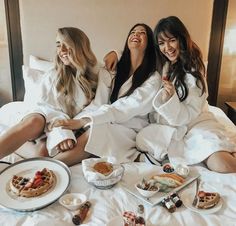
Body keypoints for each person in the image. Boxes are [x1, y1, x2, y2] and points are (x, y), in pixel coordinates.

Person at [135, 16, 236, 173]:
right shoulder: (165, 65)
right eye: (161, 43)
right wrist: (114, 53)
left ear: (181, 39)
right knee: (142, 138)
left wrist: (171, 99)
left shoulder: (194, 71)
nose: (167, 47)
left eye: (172, 40)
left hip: (195, 123)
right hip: (174, 127)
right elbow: (135, 56)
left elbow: (186, 115)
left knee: (222, 164)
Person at [52, 23, 162, 164]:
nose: (136, 34)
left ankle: (51, 168)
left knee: (98, 131)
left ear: (150, 44)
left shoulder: (153, 79)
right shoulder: (112, 70)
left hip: (129, 129)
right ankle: (48, 165)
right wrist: (75, 122)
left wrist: (83, 121)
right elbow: (98, 103)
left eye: (142, 33)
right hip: (105, 119)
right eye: (133, 31)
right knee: (70, 131)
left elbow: (127, 107)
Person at [0, 27, 111, 166]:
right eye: (58, 44)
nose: (62, 50)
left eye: (66, 45)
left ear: (80, 46)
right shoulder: (54, 75)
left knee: (41, 154)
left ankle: (21, 144)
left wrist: (68, 129)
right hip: (45, 122)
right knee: (34, 121)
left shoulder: (99, 74)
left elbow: (98, 108)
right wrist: (61, 132)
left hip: (74, 125)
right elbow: (45, 107)